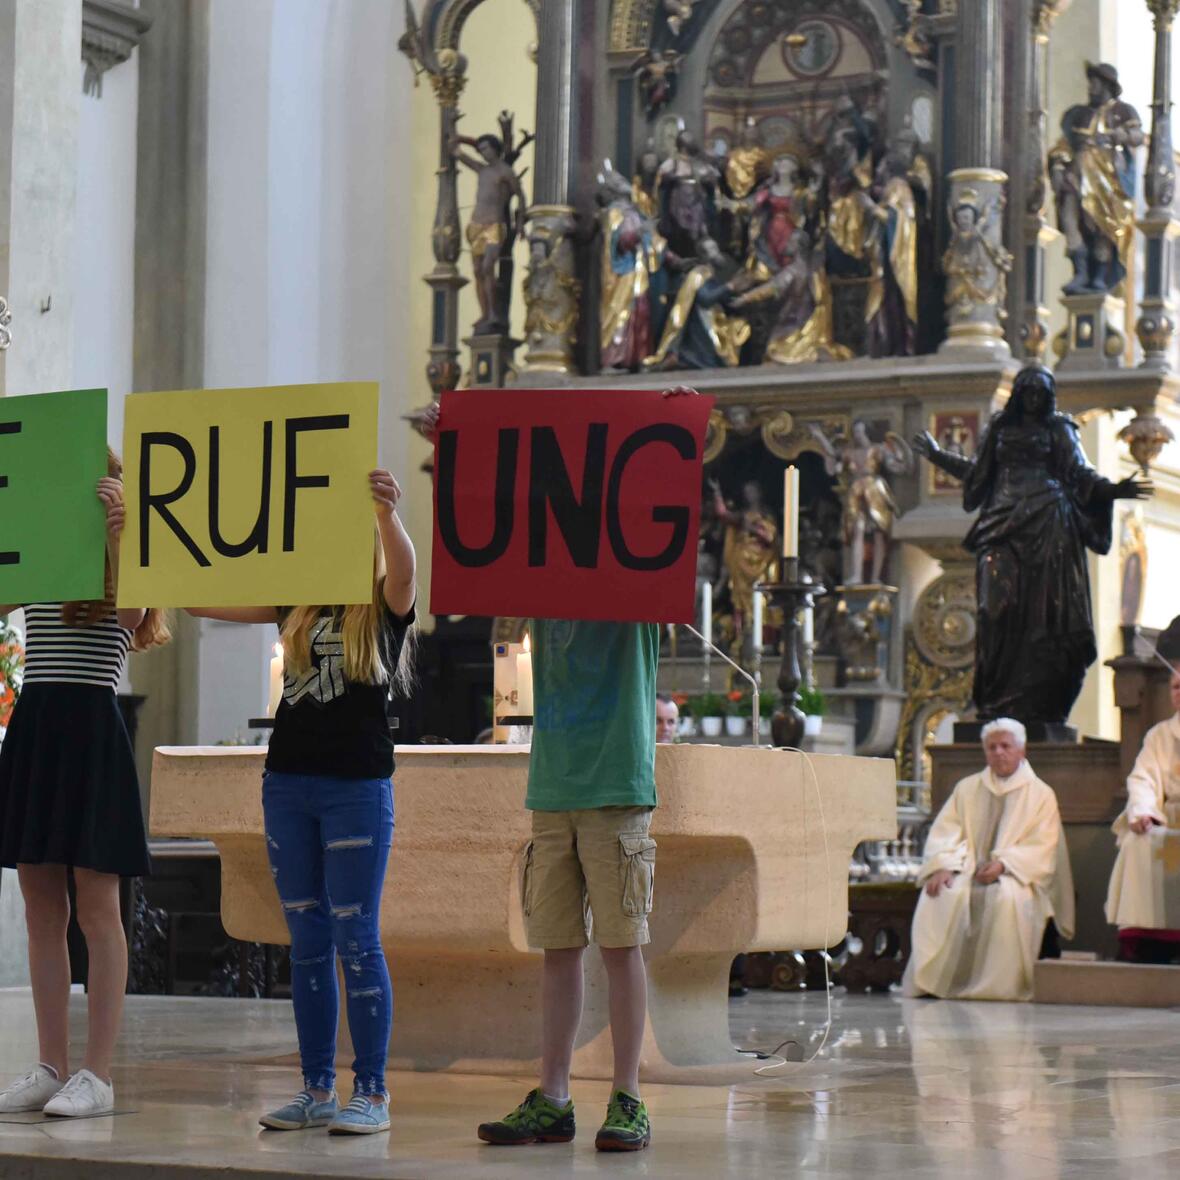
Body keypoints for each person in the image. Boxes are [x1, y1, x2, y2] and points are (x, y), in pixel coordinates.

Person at [476, 387, 697, 1155]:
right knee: (558, 949)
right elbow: (491, 532)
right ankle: (554, 1096)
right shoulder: (544, 579)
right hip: (554, 784)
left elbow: (668, 524)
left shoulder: (639, 584)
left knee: (621, 946)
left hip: (615, 783)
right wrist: (456, 445)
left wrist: (673, 433)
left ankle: (628, 1096)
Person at [185, 464, 418, 1136]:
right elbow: (201, 601)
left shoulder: (380, 601)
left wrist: (386, 514)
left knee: (356, 934)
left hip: (356, 787)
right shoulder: (295, 600)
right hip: (287, 782)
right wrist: (148, 546)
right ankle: (316, 1088)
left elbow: (406, 572)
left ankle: (372, 1092)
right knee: (308, 939)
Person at [0, 454, 170, 1117]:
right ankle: (51, 1065)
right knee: (41, 907)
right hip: (37, 724)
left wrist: (120, 532)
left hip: (91, 727)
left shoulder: (128, 552)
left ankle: (97, 1075)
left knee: (99, 909)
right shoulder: (46, 553)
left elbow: (131, 613)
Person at [913, 364, 1150, 724]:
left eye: (1042, 392)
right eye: (1029, 391)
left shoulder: (1059, 428)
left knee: (1047, 615)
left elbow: (1080, 474)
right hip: (1002, 522)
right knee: (993, 608)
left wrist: (1114, 490)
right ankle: (996, 699)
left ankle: (1040, 702)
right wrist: (938, 456)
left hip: (1049, 524)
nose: (1035, 398)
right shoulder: (1000, 428)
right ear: (1019, 393)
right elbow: (978, 472)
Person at [903, 718, 1074, 1002]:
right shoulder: (967, 788)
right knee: (941, 894)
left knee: (1006, 899)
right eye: (992, 747)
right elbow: (947, 832)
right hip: (967, 868)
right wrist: (944, 866)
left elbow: (1043, 846)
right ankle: (936, 981)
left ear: (1021, 750)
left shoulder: (1041, 794)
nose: (998, 752)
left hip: (1016, 875)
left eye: (1005, 746)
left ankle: (997, 987)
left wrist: (1004, 865)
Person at [1104, 666, 1180, 960]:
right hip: (1169, 819)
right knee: (1139, 842)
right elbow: (1143, 779)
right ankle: (1147, 941)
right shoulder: (1159, 736)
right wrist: (1144, 812)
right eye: (1176, 687)